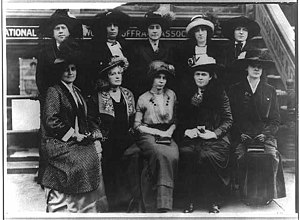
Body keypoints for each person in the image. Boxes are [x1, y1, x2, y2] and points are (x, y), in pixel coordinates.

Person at [39, 39, 108, 213]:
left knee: (95, 153)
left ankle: (89, 208)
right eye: (66, 70)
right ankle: (71, 207)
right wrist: (73, 135)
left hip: (74, 139)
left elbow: (84, 118)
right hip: (57, 142)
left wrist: (93, 132)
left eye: (73, 69)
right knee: (83, 162)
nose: (70, 73)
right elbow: (51, 120)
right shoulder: (54, 91)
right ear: (59, 72)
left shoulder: (76, 91)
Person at [228, 49, 286, 206]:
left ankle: (267, 194)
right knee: (241, 156)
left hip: (264, 135)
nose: (256, 69)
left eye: (259, 66)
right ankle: (245, 193)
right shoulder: (235, 89)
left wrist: (266, 135)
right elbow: (230, 117)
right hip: (242, 135)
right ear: (246, 67)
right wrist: (240, 134)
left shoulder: (270, 90)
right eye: (252, 65)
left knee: (271, 155)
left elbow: (275, 119)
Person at [178, 55, 232, 213]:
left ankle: (213, 200)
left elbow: (228, 120)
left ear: (210, 77)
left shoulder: (219, 93)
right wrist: (188, 130)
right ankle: (189, 199)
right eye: (197, 74)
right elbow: (180, 119)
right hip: (194, 138)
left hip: (216, 138)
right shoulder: (187, 93)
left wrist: (214, 133)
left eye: (203, 74)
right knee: (186, 153)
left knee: (207, 156)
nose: (200, 77)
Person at [87, 56, 137, 212]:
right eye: (112, 74)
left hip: (127, 139)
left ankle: (130, 202)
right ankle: (114, 205)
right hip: (107, 140)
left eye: (119, 73)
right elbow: (91, 120)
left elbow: (134, 119)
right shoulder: (99, 96)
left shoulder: (128, 94)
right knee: (110, 165)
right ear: (106, 77)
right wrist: (98, 137)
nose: (117, 76)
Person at [134, 60, 179, 213]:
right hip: (148, 134)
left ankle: (164, 199)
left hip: (168, 133)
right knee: (160, 154)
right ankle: (160, 202)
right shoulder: (143, 98)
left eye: (164, 78)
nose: (161, 81)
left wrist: (170, 132)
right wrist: (159, 133)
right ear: (151, 79)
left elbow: (176, 120)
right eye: (157, 77)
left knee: (173, 156)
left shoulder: (171, 95)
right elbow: (137, 126)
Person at [130, 7, 175, 98]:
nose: (155, 31)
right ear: (147, 30)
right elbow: (134, 73)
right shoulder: (138, 48)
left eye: (157, 28)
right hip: (143, 90)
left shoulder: (169, 48)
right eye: (151, 28)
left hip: (163, 92)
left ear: (161, 30)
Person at [175, 15, 223, 99]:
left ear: (207, 32)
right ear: (193, 33)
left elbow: (221, 70)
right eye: (197, 31)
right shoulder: (184, 49)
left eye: (203, 30)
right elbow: (181, 71)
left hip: (212, 86)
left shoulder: (216, 49)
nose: (200, 33)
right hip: (190, 87)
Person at [88, 9, 131, 95]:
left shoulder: (126, 46)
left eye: (115, 25)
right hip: (104, 90)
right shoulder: (96, 47)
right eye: (109, 26)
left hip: (125, 89)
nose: (112, 28)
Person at [220, 16, 260, 87]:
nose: (241, 32)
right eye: (238, 29)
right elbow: (222, 70)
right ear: (233, 31)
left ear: (248, 33)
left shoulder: (254, 51)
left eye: (244, 30)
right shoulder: (224, 49)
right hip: (227, 85)